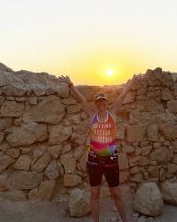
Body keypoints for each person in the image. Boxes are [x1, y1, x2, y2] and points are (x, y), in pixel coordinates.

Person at [59, 74, 138, 222]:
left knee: (116, 193)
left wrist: (132, 82)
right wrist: (70, 85)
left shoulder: (112, 114)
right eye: (99, 101)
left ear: (107, 103)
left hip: (111, 160)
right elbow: (82, 100)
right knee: (94, 193)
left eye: (103, 101)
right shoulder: (92, 116)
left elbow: (122, 96)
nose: (101, 103)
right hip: (94, 160)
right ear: (96, 104)